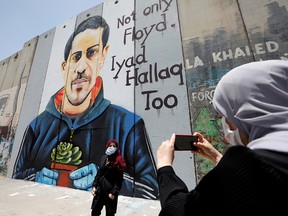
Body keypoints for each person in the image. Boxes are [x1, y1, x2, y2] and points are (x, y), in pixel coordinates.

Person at [12, 15, 158, 199]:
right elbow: (14, 180)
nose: (81, 67)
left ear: (103, 56)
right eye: (76, 57)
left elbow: (152, 191)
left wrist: (109, 181)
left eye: (91, 53)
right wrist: (35, 179)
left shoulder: (129, 125)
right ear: (65, 67)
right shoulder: (36, 127)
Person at [156, 60, 288, 215]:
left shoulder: (251, 166)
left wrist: (164, 167)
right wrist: (218, 158)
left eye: (224, 116)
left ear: (246, 111)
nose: (224, 124)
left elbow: (181, 211)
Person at [91, 140, 126, 216]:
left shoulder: (119, 161)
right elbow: (99, 173)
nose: (112, 147)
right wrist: (94, 185)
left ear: (117, 148)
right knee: (95, 210)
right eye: (110, 146)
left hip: (110, 191)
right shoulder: (104, 158)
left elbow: (119, 179)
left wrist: (114, 192)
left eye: (114, 146)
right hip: (100, 190)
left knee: (110, 213)